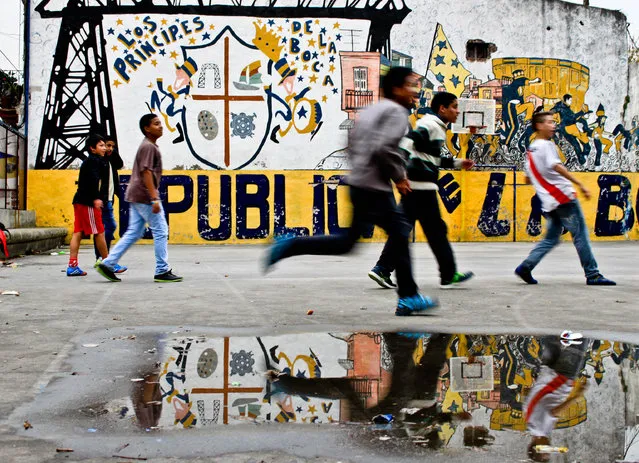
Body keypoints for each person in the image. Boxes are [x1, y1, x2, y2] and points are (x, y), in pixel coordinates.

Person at [264, 67, 437, 316]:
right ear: (397, 89)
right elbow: (384, 148)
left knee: (348, 243)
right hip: (375, 188)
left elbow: (351, 143)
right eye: (411, 85)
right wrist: (399, 177)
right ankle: (408, 297)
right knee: (399, 233)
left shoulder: (370, 110)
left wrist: (363, 169)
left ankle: (289, 244)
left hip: (359, 184)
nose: (415, 92)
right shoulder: (397, 113)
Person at [368, 92, 475, 290]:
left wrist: (458, 163)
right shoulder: (431, 125)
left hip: (416, 187)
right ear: (442, 108)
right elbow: (405, 145)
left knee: (405, 229)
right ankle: (448, 274)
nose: (457, 111)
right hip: (421, 188)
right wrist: (399, 176)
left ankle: (382, 268)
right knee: (437, 232)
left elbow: (430, 159)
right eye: (454, 106)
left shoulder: (436, 127)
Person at [515, 112, 615, 286]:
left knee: (551, 238)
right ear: (539, 125)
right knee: (580, 235)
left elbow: (527, 178)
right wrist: (579, 184)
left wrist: (543, 180)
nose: (554, 125)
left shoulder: (531, 150)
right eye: (549, 122)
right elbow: (557, 166)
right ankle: (593, 274)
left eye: (553, 122)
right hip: (563, 198)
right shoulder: (546, 145)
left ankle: (526, 266)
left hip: (549, 202)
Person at [96, 114, 182, 283]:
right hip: (144, 195)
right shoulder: (148, 147)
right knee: (161, 230)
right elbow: (146, 172)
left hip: (136, 194)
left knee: (134, 232)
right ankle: (162, 270)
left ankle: (108, 263)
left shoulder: (148, 146)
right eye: (156, 124)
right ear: (146, 128)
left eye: (160, 123)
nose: (161, 126)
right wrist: (154, 197)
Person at [524, 334, 589, 462]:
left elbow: (554, 412)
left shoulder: (541, 428)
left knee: (580, 341)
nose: (549, 447)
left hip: (561, 379)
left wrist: (576, 396)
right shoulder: (528, 421)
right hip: (546, 372)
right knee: (551, 337)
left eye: (546, 451)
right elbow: (529, 396)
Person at [67, 134, 111, 277]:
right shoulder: (93, 162)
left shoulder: (92, 161)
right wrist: (96, 198)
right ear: (92, 148)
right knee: (99, 231)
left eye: (105, 145)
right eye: (101, 145)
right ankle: (108, 263)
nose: (105, 148)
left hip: (80, 200)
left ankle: (72, 265)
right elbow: (93, 181)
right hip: (87, 202)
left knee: (78, 232)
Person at [93, 134, 127, 273]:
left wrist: (112, 152)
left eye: (112, 146)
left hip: (109, 198)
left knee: (105, 228)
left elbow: (120, 164)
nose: (109, 148)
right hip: (103, 199)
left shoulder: (110, 161)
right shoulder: (100, 161)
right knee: (104, 229)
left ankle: (102, 257)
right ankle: (102, 257)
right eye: (107, 145)